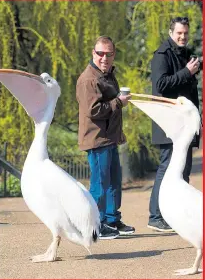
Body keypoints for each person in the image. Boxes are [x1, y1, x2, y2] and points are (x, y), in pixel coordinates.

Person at [76, 36, 135, 239]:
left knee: (114, 182)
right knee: (99, 185)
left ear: (113, 55)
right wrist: (118, 102)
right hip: (97, 139)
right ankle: (95, 225)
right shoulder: (88, 79)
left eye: (108, 54)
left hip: (109, 138)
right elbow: (93, 111)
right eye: (100, 53)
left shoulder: (107, 73)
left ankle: (111, 219)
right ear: (93, 53)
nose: (104, 58)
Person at [147, 17, 200, 232]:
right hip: (169, 125)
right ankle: (156, 215)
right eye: (179, 33)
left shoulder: (184, 54)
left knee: (183, 170)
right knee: (168, 168)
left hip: (183, 124)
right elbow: (161, 86)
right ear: (171, 33)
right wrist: (187, 72)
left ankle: (176, 215)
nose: (183, 37)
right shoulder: (162, 55)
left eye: (186, 33)